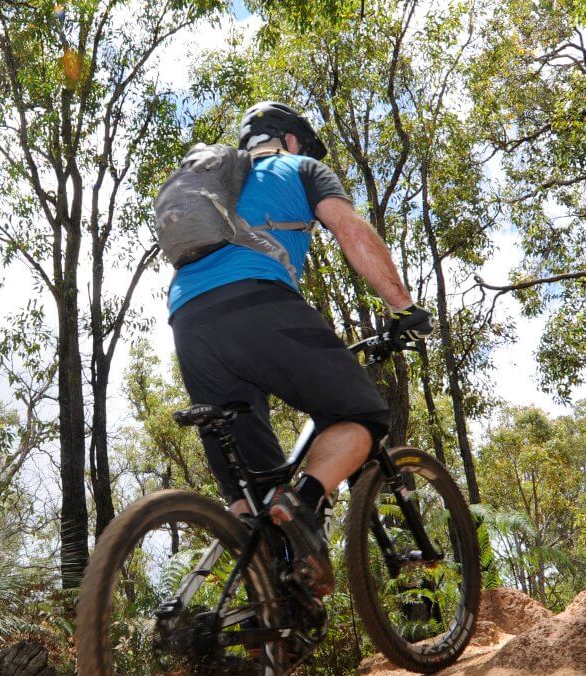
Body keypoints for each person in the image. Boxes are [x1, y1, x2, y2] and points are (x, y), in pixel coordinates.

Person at [166, 101, 430, 598]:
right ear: (289, 140)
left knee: (249, 486)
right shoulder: (299, 167)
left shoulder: (217, 185)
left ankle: (270, 615)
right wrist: (402, 304)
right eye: (302, 144)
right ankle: (303, 501)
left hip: (188, 320)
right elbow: (351, 230)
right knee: (363, 417)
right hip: (258, 302)